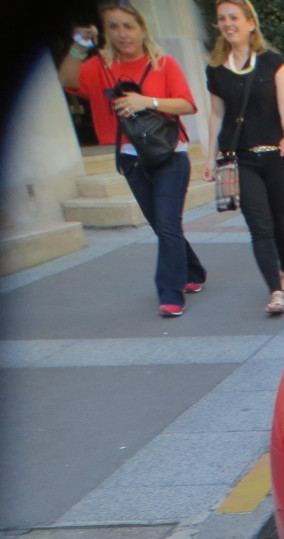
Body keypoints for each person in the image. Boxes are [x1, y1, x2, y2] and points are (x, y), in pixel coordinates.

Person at [58, 4, 206, 319]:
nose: (122, 33)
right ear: (106, 32)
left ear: (141, 28)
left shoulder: (162, 63)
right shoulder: (101, 66)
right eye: (114, 27)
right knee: (162, 225)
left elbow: (187, 104)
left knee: (167, 224)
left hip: (170, 155)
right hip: (131, 158)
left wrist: (147, 101)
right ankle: (194, 271)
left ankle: (170, 293)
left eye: (128, 25)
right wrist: (78, 46)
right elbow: (68, 79)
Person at [201, 0, 284, 317]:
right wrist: (209, 157)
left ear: (250, 23)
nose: (228, 23)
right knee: (259, 226)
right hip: (241, 159)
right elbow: (217, 116)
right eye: (222, 19)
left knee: (282, 223)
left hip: (277, 156)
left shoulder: (274, 63)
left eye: (234, 17)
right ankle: (274, 291)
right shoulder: (216, 70)